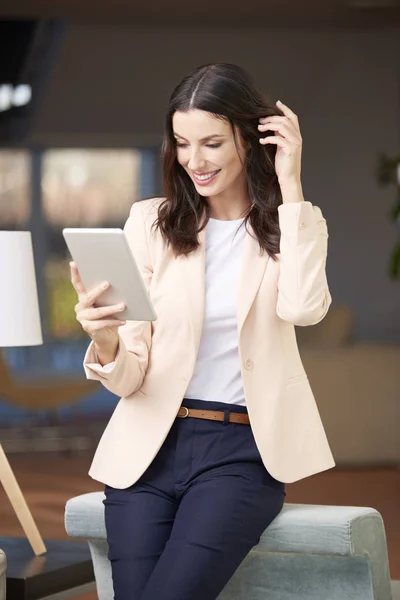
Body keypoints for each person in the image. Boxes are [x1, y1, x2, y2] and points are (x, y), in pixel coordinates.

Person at [70, 62, 335, 600]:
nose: (194, 160)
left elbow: (305, 309)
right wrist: (104, 339)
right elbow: (129, 377)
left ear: (249, 136)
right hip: (148, 446)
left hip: (239, 452)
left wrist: (290, 184)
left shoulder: (294, 225)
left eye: (212, 143)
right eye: (182, 143)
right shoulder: (150, 223)